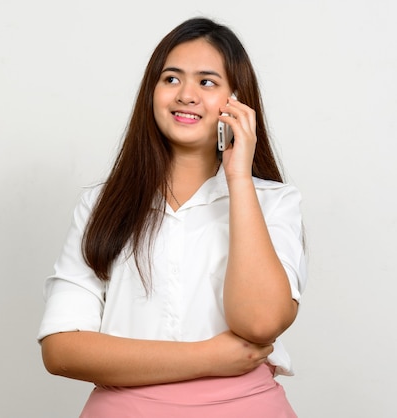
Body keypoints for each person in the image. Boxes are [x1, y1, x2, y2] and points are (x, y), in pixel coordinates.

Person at [37, 17, 307, 417]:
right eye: (171, 79)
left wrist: (238, 177)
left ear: (237, 100)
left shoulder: (273, 201)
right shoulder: (102, 205)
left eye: (208, 82)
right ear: (152, 92)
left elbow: (260, 322)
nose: (186, 95)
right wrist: (208, 358)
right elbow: (61, 350)